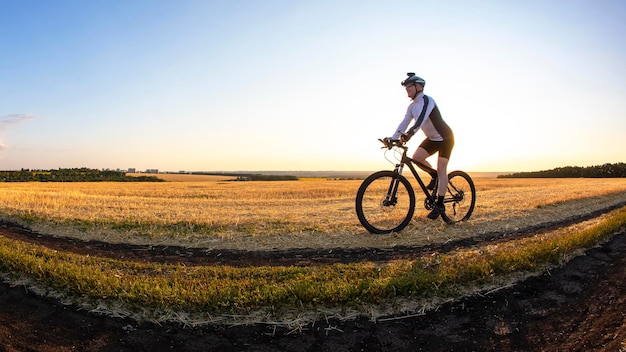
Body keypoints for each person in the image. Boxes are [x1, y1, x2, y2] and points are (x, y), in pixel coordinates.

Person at [386, 72, 454, 220]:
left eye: (409, 86)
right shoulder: (411, 107)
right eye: (406, 87)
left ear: (419, 86)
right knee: (417, 158)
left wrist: (409, 134)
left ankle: (440, 204)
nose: (407, 89)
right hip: (432, 139)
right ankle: (434, 176)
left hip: (446, 138)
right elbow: (404, 122)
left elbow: (421, 119)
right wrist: (393, 138)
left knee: (442, 168)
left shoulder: (427, 101)